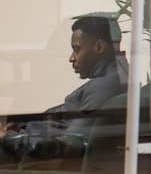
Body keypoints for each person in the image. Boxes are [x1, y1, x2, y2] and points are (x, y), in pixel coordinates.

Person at [1, 15, 129, 163]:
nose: (71, 58)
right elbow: (62, 117)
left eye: (76, 49)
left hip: (21, 153)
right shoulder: (115, 79)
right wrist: (19, 125)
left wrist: (7, 137)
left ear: (99, 47)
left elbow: (69, 146)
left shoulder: (104, 88)